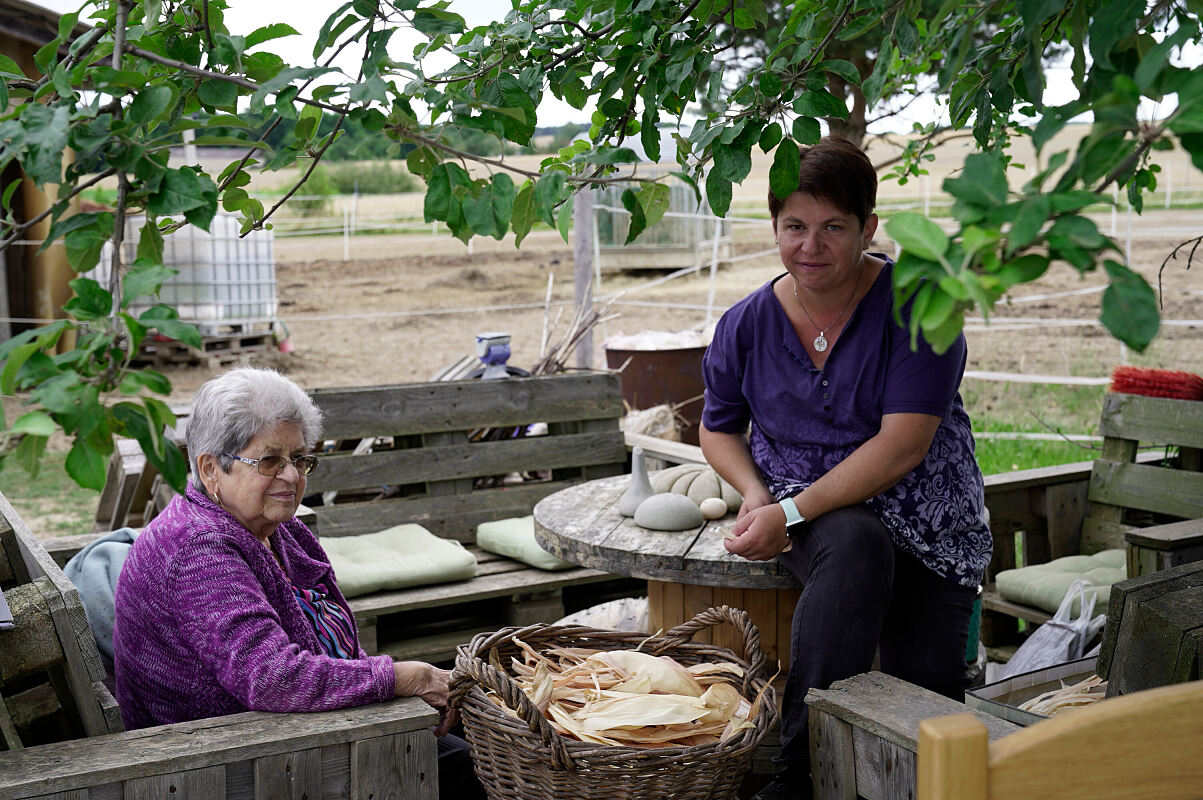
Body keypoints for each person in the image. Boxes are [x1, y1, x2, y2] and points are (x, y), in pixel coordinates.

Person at [699, 136, 991, 800]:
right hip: (813, 512)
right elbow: (715, 429)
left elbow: (902, 447)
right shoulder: (745, 324)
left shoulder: (920, 308)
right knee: (855, 544)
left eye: (833, 226)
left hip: (927, 521)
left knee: (928, 723)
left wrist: (786, 513)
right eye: (794, 226)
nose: (811, 245)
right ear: (772, 227)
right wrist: (754, 494)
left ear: (868, 227)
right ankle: (799, 774)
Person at [113, 367, 484, 800]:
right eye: (269, 460)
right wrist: (406, 678)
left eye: (300, 459)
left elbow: (332, 647)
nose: (291, 476)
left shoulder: (277, 528)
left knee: (470, 748)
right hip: (223, 765)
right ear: (211, 469)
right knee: (464, 767)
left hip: (295, 734)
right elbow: (273, 677)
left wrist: (386, 690)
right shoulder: (198, 550)